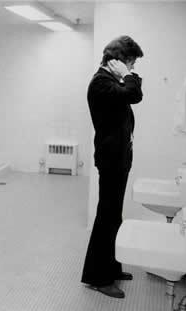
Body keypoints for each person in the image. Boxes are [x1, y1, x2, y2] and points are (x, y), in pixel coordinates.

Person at [81, 36, 144, 299]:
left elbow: (131, 94)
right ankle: (98, 278)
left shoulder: (111, 81)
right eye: (130, 62)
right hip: (111, 159)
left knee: (113, 215)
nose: (132, 68)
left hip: (119, 156)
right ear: (118, 61)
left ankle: (112, 266)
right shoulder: (101, 83)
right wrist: (128, 75)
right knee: (106, 216)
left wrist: (127, 75)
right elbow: (134, 95)